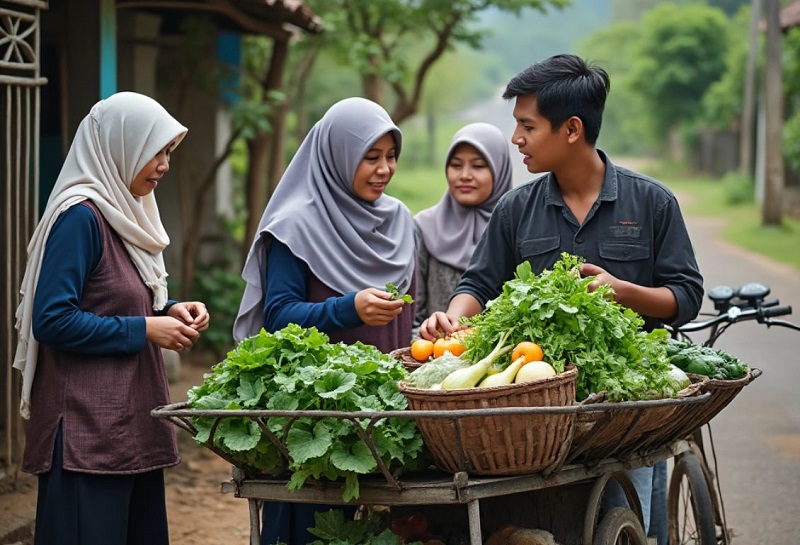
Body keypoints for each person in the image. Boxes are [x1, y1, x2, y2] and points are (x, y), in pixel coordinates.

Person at [418, 54, 704, 544]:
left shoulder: (652, 203)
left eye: (527, 126)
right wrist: (452, 316)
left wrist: (623, 291)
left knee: (632, 519)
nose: (516, 139)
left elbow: (686, 296)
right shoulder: (515, 209)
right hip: (536, 415)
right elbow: (478, 285)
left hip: (625, 411)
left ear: (571, 129)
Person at [13, 91, 210, 545]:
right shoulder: (80, 218)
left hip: (130, 423)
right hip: (86, 432)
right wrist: (145, 328)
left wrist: (167, 309)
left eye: (167, 152)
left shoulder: (127, 212)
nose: (163, 164)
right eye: (155, 151)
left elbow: (113, 297)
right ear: (120, 145)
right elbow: (53, 320)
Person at [233, 97, 416, 545]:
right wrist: (347, 309)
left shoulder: (399, 221)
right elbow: (277, 317)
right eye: (369, 157)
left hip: (387, 418)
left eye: (391, 156)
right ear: (337, 155)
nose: (384, 169)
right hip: (317, 419)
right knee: (310, 529)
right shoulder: (295, 226)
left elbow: (417, 307)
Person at [413, 122, 513, 332]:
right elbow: (415, 312)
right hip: (437, 353)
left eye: (478, 166)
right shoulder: (425, 226)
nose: (465, 175)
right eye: (456, 165)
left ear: (500, 169)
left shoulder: (514, 228)